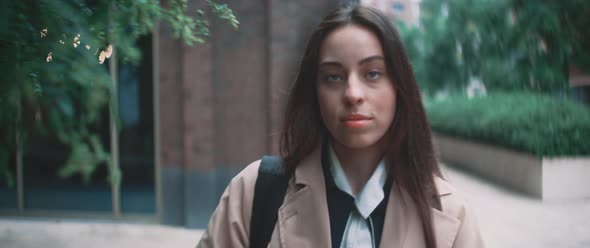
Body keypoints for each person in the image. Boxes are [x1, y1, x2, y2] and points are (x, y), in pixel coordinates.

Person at [197, 5, 484, 248]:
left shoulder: (451, 215)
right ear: (314, 92)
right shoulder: (253, 193)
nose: (352, 93)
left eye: (372, 73)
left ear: (399, 87)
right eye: (333, 77)